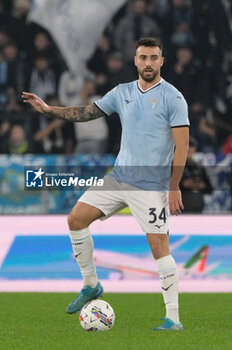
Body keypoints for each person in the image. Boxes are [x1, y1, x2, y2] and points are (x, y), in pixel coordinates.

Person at [22, 37, 189, 331]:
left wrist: (174, 186)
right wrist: (49, 111)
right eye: (143, 57)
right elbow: (88, 112)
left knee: (159, 248)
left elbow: (182, 145)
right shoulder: (122, 92)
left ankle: (173, 318)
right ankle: (91, 284)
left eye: (153, 57)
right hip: (119, 177)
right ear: (135, 61)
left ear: (162, 61)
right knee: (76, 219)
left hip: (151, 186)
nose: (148, 63)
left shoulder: (172, 98)